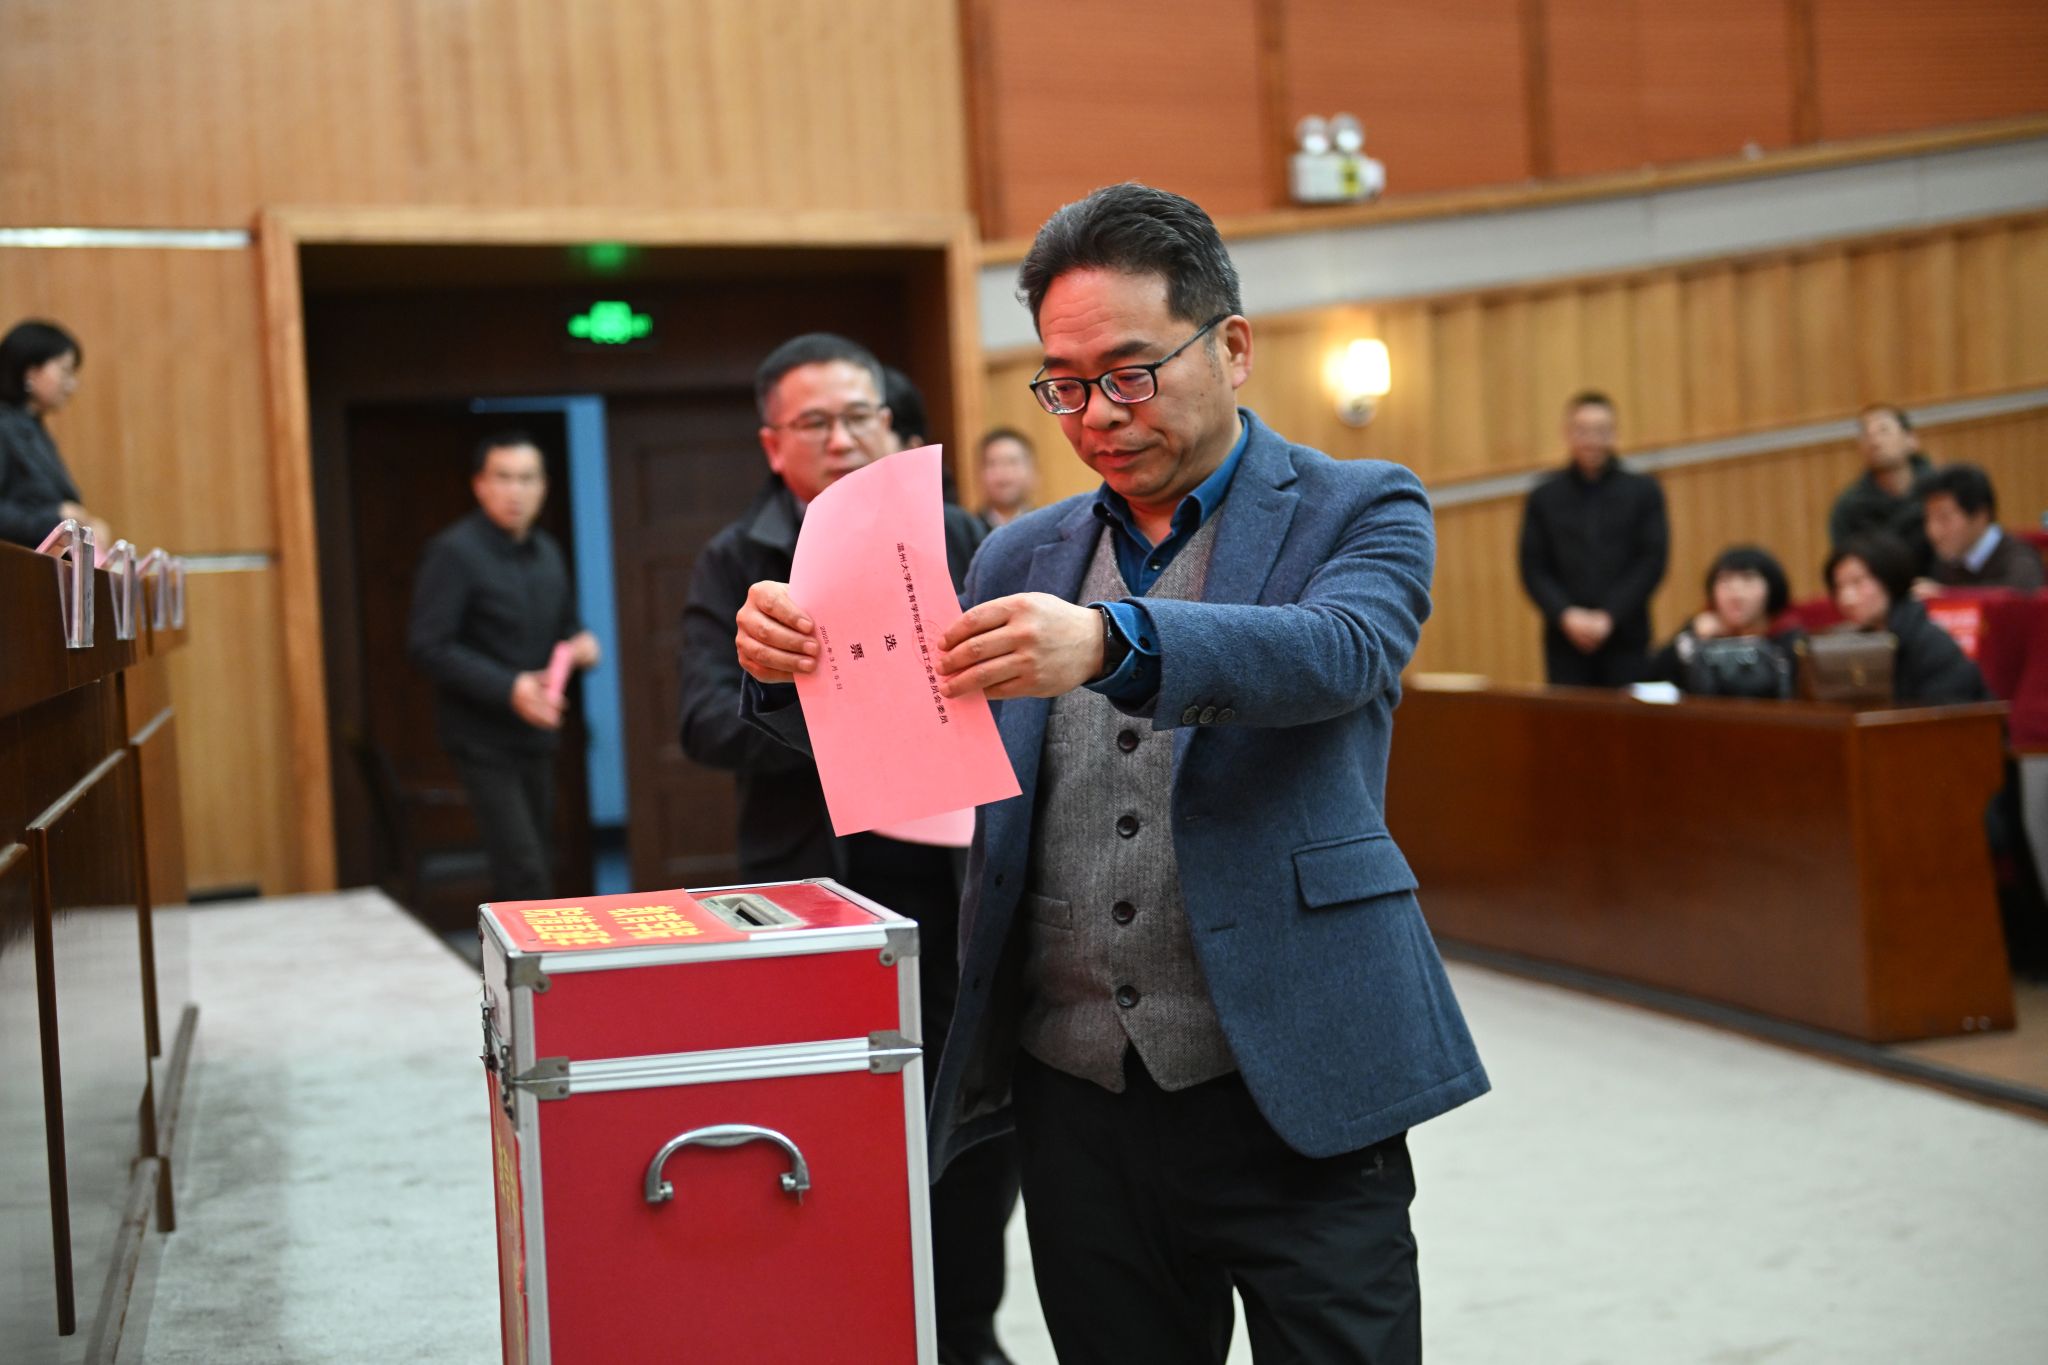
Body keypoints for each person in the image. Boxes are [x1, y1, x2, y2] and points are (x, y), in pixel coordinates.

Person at [734, 184, 1487, 1364]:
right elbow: (917, 738)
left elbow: (1338, 652)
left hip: (1295, 1074)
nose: (1095, 415)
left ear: (1230, 347)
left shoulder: (1358, 506)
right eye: (1064, 383)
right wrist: (794, 670)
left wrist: (1110, 641)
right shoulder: (1020, 550)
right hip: (1075, 1090)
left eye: (1129, 373)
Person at [677, 336, 1013, 1365]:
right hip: (818, 893)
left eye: (860, 415)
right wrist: (827, 707)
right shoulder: (737, 560)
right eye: (814, 423)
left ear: (891, 424)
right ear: (773, 445)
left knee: (972, 1114)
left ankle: (964, 1330)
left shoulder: (960, 534)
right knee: (831, 1120)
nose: (842, 439)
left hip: (958, 885)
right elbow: (702, 722)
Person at [407, 432, 598, 902]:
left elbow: (566, 626)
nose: (516, 491)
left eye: (527, 479)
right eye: (504, 478)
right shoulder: (454, 552)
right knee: (522, 866)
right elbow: (428, 646)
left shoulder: (548, 552)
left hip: (537, 733)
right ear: (480, 485)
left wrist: (583, 644)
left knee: (540, 859)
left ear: (543, 487)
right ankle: (522, 954)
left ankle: (532, 949)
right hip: (482, 737)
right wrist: (509, 687)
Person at [1517, 391, 1669, 687]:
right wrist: (1566, 615)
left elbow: (1652, 560)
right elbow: (1533, 567)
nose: (1592, 440)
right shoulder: (1544, 496)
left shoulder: (1643, 491)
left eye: (1601, 431)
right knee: (1568, 715)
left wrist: (1609, 615)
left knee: (1628, 713)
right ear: (1567, 434)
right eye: (1583, 431)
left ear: (1614, 434)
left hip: (1626, 634)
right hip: (1565, 639)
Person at [1826, 532, 1986, 706]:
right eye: (1839, 587)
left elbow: (1950, 714)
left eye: (1858, 582)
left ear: (1888, 577)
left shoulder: (1929, 642)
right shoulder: (1855, 643)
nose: (1846, 598)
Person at [0, 319, 109, 548]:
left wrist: (84, 522)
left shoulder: (32, 426)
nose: (72, 384)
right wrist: (56, 517)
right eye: (65, 371)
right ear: (31, 372)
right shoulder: (4, 426)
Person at [1646, 545, 1805, 698]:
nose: (1735, 593)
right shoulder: (1698, 634)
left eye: (1748, 579)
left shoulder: (1789, 638)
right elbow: (1650, 677)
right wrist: (1690, 633)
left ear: (1772, 587)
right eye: (1725, 581)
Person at [1914, 463, 2045, 596]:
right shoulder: (1945, 563)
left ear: (1980, 515)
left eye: (1944, 518)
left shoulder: (2020, 558)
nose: (1933, 530)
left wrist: (1947, 595)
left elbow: (2017, 596)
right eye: (1928, 519)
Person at [1828, 404, 1934, 564]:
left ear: (1911, 440)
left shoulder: (1939, 492)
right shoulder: (1849, 508)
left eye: (1883, 430)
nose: (1874, 441)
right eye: (1866, 434)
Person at [976, 427, 1038, 530]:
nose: (1003, 472)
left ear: (1033, 472)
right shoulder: (968, 532)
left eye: (1012, 462)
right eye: (993, 464)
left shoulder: (1047, 527)